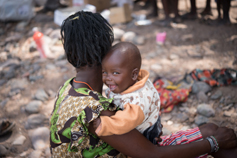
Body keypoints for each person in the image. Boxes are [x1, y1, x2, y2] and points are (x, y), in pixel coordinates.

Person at [49, 10, 237, 158]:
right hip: (148, 154)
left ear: (71, 55)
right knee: (215, 136)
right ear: (106, 51)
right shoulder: (94, 110)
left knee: (210, 130)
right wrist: (213, 143)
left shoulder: (68, 88)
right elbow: (152, 154)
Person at [93, 42, 162, 144]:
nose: (108, 78)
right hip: (140, 120)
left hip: (145, 132)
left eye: (115, 73)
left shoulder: (137, 100)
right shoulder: (125, 83)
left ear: (134, 74)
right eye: (104, 72)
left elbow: (126, 122)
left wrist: (104, 124)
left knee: (137, 151)